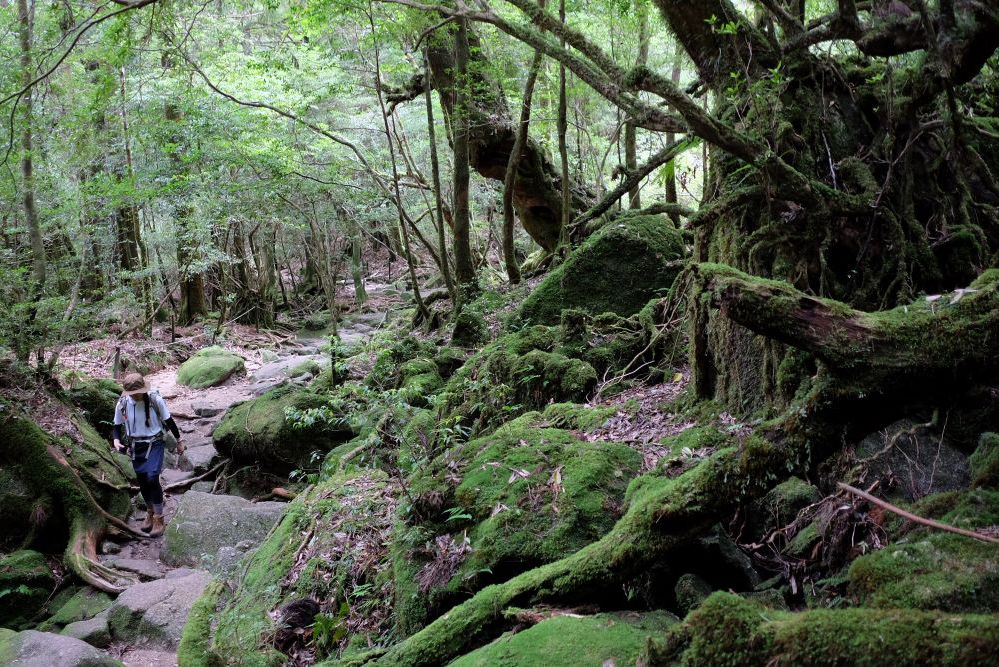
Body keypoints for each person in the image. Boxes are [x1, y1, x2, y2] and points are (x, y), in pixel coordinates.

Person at [111, 372, 184, 537]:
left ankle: (159, 517)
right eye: (133, 393)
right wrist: (116, 440)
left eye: (138, 391)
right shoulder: (123, 404)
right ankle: (150, 513)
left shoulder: (154, 400)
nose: (136, 395)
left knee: (152, 477)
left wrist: (179, 441)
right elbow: (116, 425)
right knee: (143, 481)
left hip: (155, 442)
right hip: (136, 445)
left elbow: (169, 420)